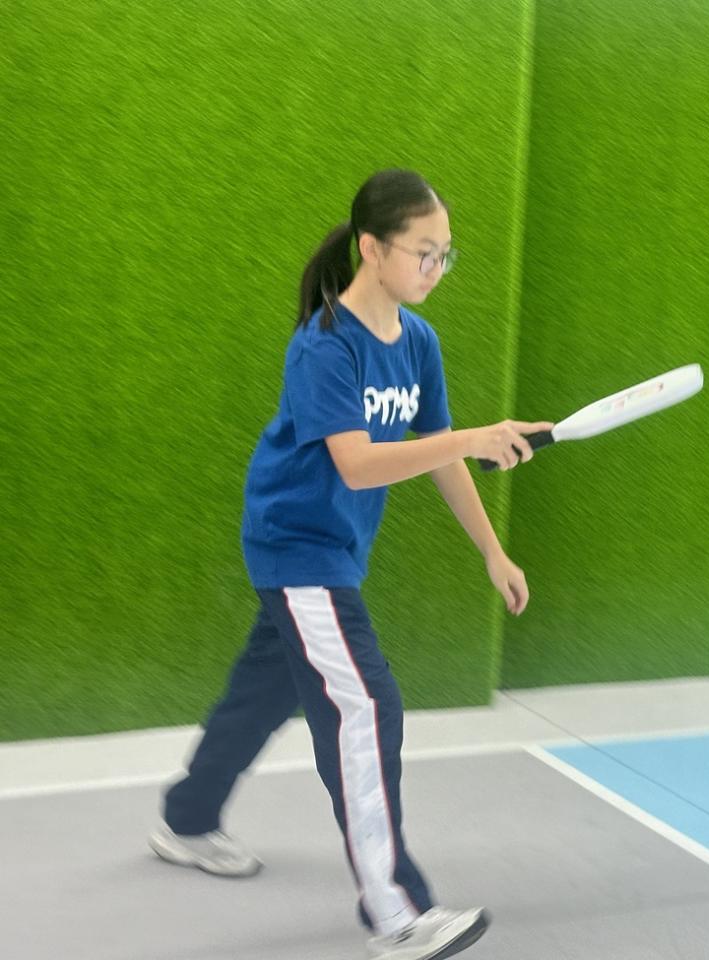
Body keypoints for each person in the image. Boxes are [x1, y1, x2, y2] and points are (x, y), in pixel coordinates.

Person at [149, 169, 550, 960]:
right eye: (423, 251)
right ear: (372, 248)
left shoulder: (418, 342)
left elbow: (439, 456)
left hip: (333, 546)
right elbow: (360, 464)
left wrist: (493, 551)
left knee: (265, 691)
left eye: (445, 253)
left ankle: (186, 819)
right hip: (297, 543)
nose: (437, 268)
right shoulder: (325, 346)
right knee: (366, 707)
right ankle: (397, 914)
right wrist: (471, 436)